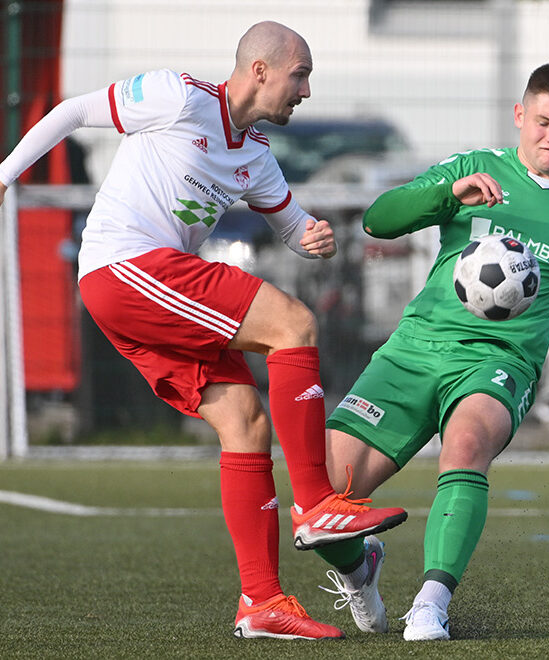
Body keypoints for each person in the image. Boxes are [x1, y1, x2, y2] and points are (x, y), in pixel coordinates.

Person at [0, 21, 406, 640]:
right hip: (125, 265)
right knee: (293, 323)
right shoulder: (178, 97)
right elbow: (74, 110)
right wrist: (6, 174)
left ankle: (261, 601)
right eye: (300, 75)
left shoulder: (257, 157)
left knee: (245, 419)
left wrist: (312, 238)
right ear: (261, 70)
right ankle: (317, 504)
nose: (306, 90)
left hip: (145, 286)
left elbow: (293, 226)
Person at [312, 62, 549, 641]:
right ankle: (359, 569)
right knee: (325, 494)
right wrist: (446, 196)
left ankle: (431, 602)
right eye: (542, 122)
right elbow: (377, 220)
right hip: (414, 350)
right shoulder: (473, 169)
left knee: (464, 445)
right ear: (520, 116)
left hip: (499, 362)